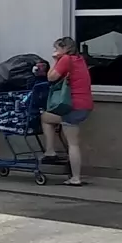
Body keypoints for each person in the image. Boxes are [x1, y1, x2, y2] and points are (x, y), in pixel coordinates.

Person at [41, 36, 94, 186]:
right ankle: (53, 153)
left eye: (57, 48)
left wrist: (55, 60)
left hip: (73, 107)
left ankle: (73, 175)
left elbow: (51, 77)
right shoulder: (79, 60)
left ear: (64, 48)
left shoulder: (65, 59)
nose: (55, 51)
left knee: (46, 119)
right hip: (85, 106)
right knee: (72, 140)